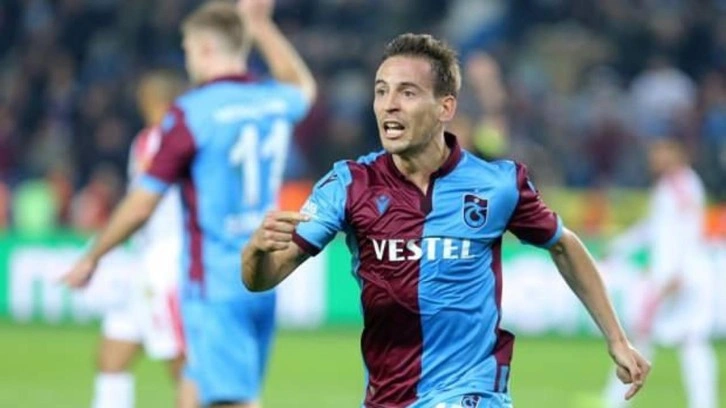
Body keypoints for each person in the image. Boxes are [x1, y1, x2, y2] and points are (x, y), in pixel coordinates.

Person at [241, 33, 650, 408]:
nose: (389, 104)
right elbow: (262, 279)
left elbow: (563, 244)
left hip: (474, 392)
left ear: (445, 107)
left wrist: (617, 339)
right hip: (388, 397)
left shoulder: (498, 185)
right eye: (381, 91)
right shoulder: (349, 185)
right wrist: (256, 251)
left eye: (407, 92)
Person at [62, 0, 316, 407]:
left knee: (230, 401)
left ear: (206, 49)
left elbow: (141, 204)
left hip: (215, 279)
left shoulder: (191, 114)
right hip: (264, 274)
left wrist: (94, 255)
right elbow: (303, 87)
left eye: (188, 50)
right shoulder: (271, 100)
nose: (187, 60)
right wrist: (261, 27)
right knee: (198, 388)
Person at [90, 69, 186, 408]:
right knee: (112, 355)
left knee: (183, 366)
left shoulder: (162, 140)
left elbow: (141, 204)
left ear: (154, 101)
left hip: (168, 262)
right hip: (145, 259)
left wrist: (96, 253)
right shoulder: (162, 139)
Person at [602, 137, 717, 408]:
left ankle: (614, 401)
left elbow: (690, 229)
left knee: (657, 337)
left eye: (660, 152)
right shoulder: (669, 186)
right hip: (675, 275)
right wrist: (620, 247)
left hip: (680, 278)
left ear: (675, 154)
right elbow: (653, 228)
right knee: (678, 339)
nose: (653, 158)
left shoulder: (682, 185)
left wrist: (678, 272)